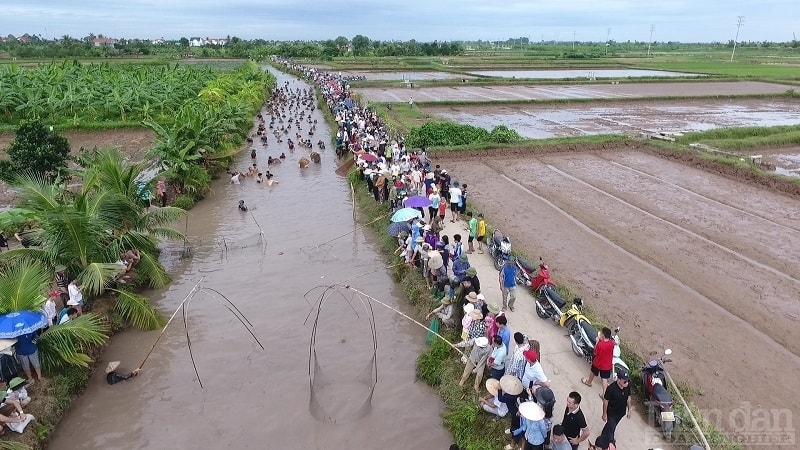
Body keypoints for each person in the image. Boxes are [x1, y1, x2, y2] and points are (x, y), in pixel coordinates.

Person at [601, 369, 632, 445]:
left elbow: (628, 397)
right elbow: (605, 401)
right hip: (612, 413)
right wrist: (604, 414)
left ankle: (603, 434)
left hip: (621, 412)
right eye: (624, 381)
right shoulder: (611, 388)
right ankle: (611, 441)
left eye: (627, 381)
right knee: (611, 427)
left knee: (611, 425)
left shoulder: (627, 386)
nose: (626, 383)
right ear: (619, 379)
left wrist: (629, 409)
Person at [582, 327, 615, 395]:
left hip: (598, 363)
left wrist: (597, 341)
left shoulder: (600, 344)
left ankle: (589, 382)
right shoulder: (612, 343)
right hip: (607, 364)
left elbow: (595, 352)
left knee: (593, 372)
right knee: (604, 379)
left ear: (603, 336)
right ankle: (604, 394)